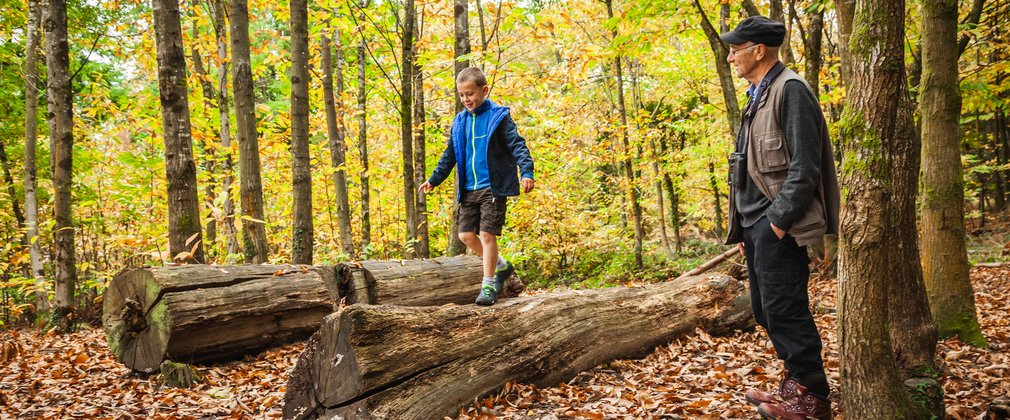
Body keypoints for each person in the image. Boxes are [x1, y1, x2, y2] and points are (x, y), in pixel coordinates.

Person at [720, 16, 840, 420]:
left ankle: (812, 401)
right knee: (765, 310)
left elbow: (806, 166)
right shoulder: (758, 94)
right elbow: (749, 167)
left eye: (737, 48)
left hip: (778, 224)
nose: (730, 55)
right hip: (756, 224)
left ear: (759, 51)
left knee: (786, 309)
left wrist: (777, 222)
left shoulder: (791, 90)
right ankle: (794, 386)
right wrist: (743, 225)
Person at [418, 67, 535, 306]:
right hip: (469, 188)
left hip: (493, 186)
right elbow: (449, 155)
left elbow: (517, 145)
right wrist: (434, 179)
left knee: (486, 233)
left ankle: (489, 284)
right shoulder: (460, 121)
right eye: (461, 95)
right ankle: (501, 266)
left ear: (484, 90)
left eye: (470, 94)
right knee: (465, 235)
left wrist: (527, 171)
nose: (466, 99)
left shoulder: (497, 116)